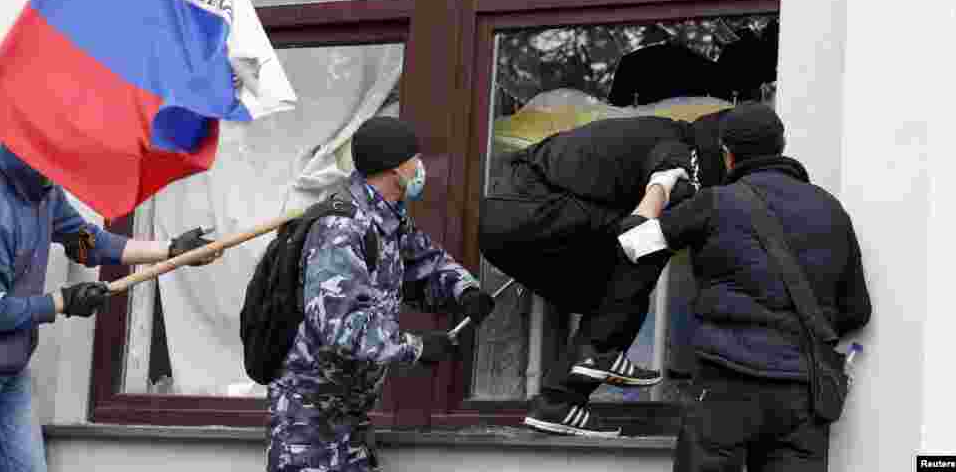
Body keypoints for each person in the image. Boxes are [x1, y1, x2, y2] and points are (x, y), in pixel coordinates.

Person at [616, 103, 872, 471]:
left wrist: (661, 184)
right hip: (802, 396)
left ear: (728, 154)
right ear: (781, 146)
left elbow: (633, 244)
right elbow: (857, 311)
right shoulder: (831, 210)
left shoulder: (714, 203)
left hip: (724, 387)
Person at [0, 142, 219, 472]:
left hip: (9, 365)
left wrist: (171, 250)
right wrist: (62, 302)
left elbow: (84, 244)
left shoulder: (42, 192)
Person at [266, 116, 495, 472]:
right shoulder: (341, 226)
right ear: (396, 169)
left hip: (349, 412)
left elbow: (427, 259)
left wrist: (464, 290)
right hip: (309, 415)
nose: (421, 167)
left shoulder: (386, 218)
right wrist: (416, 348)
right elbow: (340, 325)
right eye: (415, 159)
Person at [479, 111, 727, 437]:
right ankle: (593, 357)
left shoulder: (654, 131)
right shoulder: (686, 151)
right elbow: (667, 175)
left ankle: (560, 403)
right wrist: (647, 217)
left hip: (502, 218)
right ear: (724, 149)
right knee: (651, 241)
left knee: (617, 298)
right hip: (533, 208)